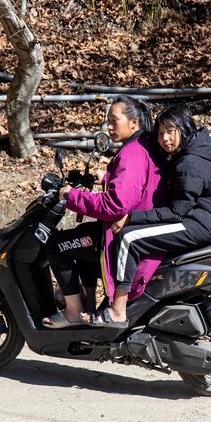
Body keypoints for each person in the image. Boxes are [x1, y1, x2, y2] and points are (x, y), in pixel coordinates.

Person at [90, 105, 211, 328]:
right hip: (210, 218)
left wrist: (131, 217)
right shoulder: (193, 151)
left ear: (184, 128)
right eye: (159, 133)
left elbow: (177, 211)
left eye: (170, 131)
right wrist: (108, 177)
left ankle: (118, 310)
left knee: (129, 239)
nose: (164, 138)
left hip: (202, 223)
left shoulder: (188, 163)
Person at [43, 96, 166, 328]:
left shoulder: (132, 154)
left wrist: (71, 196)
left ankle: (73, 312)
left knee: (57, 244)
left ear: (134, 122)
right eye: (107, 121)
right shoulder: (142, 147)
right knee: (81, 235)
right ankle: (88, 306)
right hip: (131, 228)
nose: (109, 127)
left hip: (121, 234)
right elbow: (136, 188)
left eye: (114, 120)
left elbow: (115, 205)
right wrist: (108, 177)